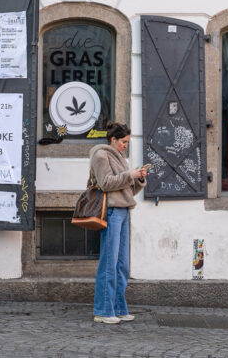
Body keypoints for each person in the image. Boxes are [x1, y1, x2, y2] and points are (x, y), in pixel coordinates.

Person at [90, 121, 148, 324]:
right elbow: (105, 184)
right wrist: (128, 175)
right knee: (109, 262)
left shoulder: (120, 157)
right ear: (113, 140)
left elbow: (126, 191)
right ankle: (104, 311)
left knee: (122, 264)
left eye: (127, 142)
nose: (126, 145)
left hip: (123, 210)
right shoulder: (100, 155)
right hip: (112, 212)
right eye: (123, 142)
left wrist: (138, 179)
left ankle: (119, 307)